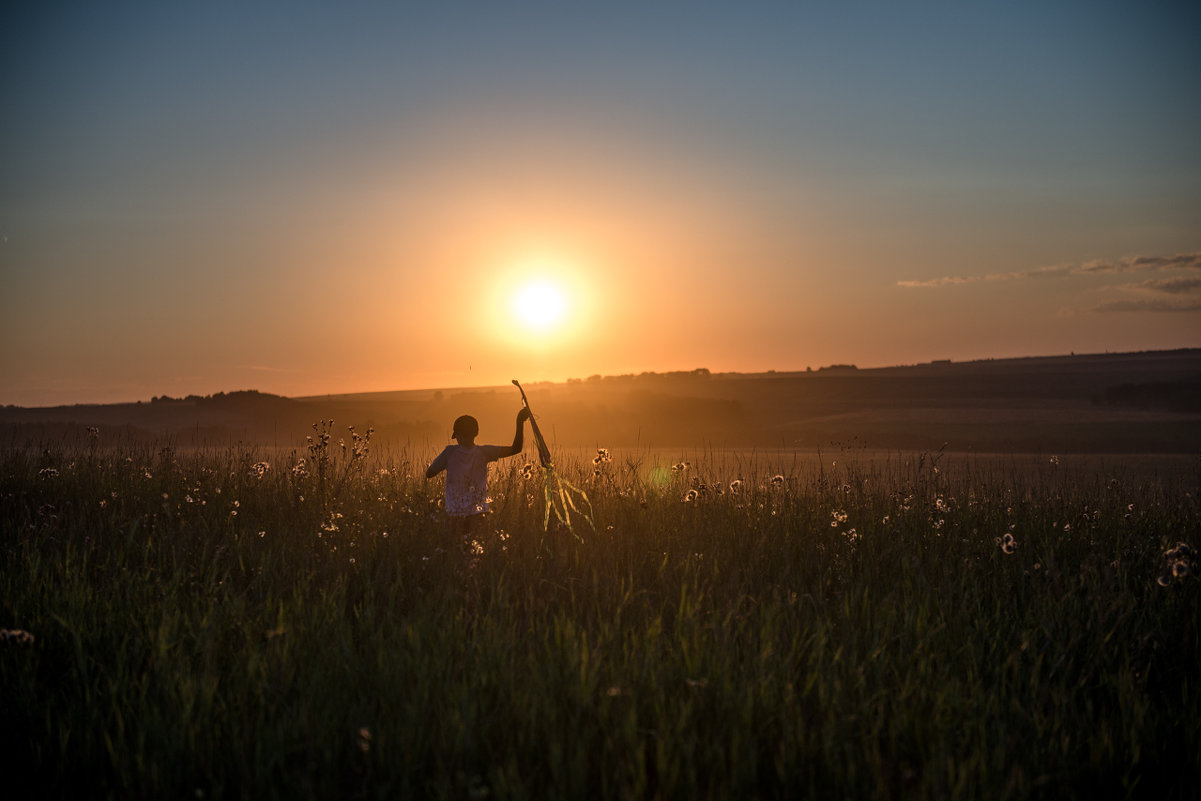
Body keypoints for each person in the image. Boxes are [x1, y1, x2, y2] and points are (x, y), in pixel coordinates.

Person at [425, 408, 531, 528]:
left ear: (458, 434)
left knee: (457, 546)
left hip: (455, 514)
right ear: (476, 433)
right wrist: (520, 421)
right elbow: (516, 449)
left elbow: (429, 473)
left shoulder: (449, 452)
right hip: (479, 513)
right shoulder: (485, 452)